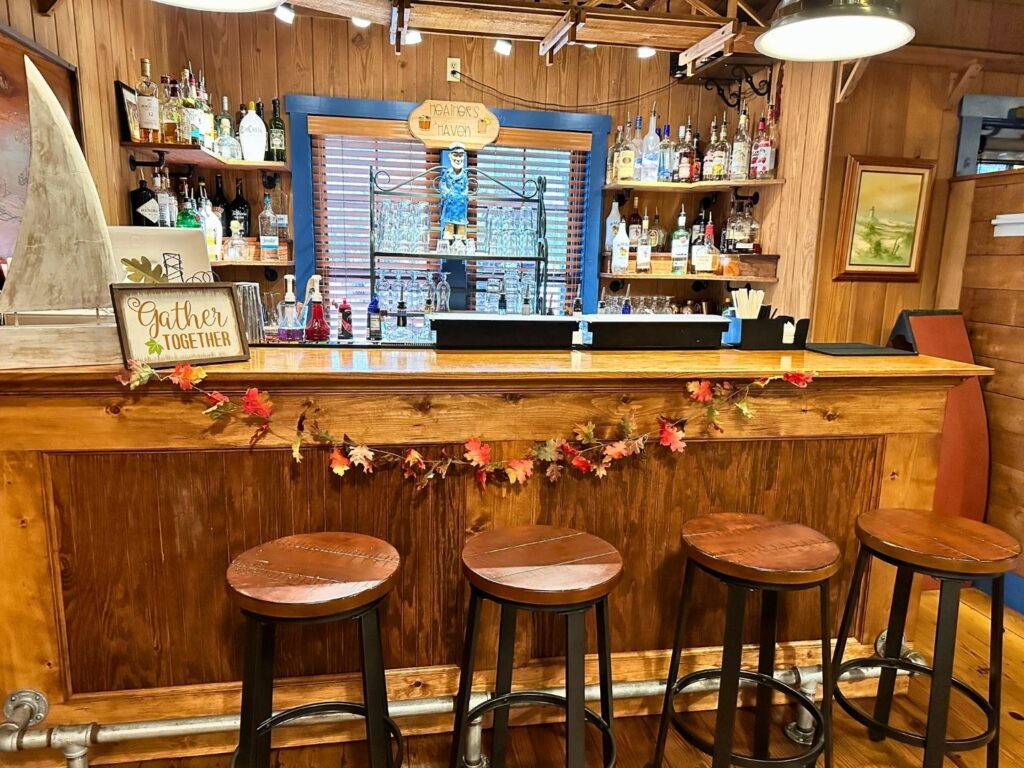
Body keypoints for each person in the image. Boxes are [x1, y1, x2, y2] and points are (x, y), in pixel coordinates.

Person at [438, 142, 469, 242]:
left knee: (461, 224)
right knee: (449, 224)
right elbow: (442, 185)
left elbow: (466, 187)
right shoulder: (447, 173)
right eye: (455, 155)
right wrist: (447, 194)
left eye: (461, 156)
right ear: (450, 156)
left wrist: (464, 195)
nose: (458, 159)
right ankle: (448, 236)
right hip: (450, 203)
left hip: (460, 204)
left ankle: (461, 238)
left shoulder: (464, 175)